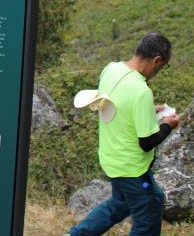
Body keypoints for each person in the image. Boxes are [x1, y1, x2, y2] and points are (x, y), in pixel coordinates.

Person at [68, 32, 180, 236]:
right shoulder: (141, 91)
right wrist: (167, 125)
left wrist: (147, 110)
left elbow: (116, 103)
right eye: (162, 66)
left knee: (120, 204)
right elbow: (147, 142)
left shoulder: (111, 69)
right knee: (151, 204)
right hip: (131, 168)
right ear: (157, 60)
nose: (159, 71)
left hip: (111, 159)